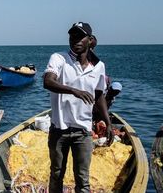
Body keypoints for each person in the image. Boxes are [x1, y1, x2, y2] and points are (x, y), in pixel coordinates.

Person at [43, 22, 114, 192]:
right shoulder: (59, 58)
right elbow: (48, 81)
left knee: (83, 179)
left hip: (83, 132)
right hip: (59, 130)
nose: (75, 39)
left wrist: (108, 122)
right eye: (72, 36)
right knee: (56, 174)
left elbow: (98, 96)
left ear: (90, 40)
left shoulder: (99, 67)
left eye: (80, 36)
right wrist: (73, 91)